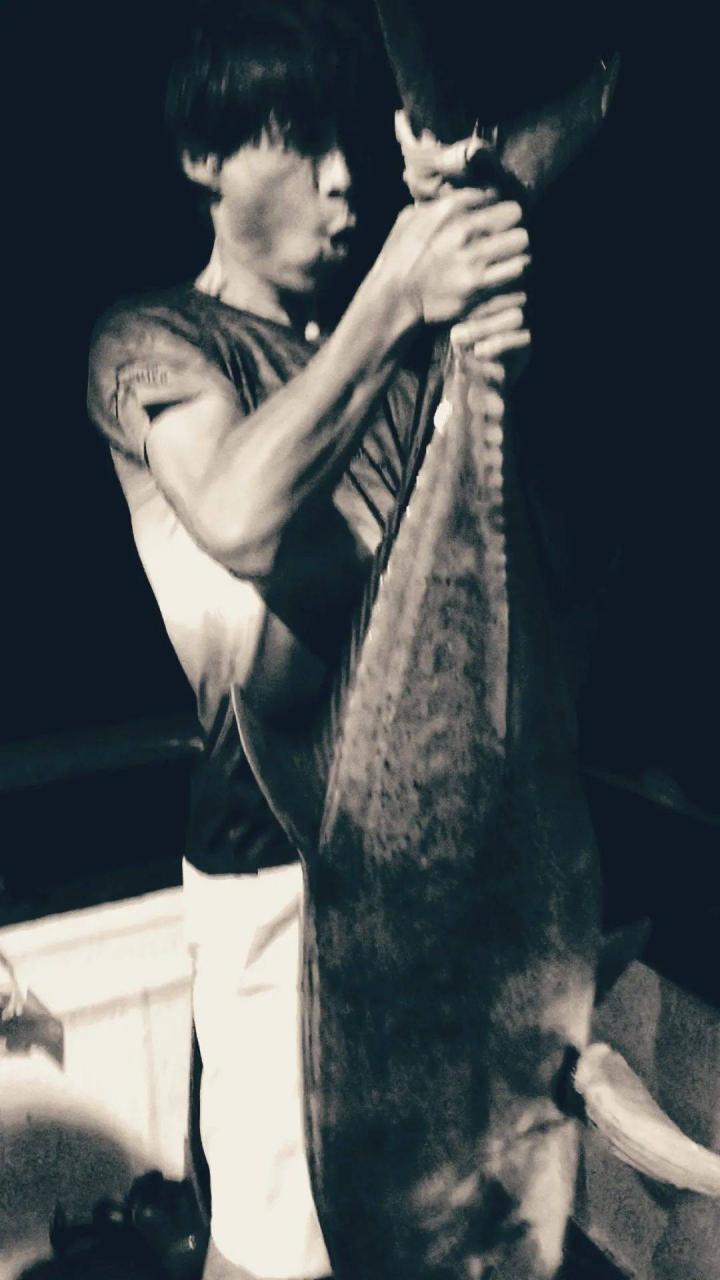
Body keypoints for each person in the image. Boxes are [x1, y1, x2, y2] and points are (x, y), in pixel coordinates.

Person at [86, 4, 530, 1277]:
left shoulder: (382, 360)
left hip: (433, 855)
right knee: (276, 1248)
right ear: (205, 157)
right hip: (275, 864)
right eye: (302, 140)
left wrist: (478, 301)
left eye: (353, 144)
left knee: (428, 1232)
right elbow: (236, 511)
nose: (344, 179)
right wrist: (399, 293)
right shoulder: (150, 342)